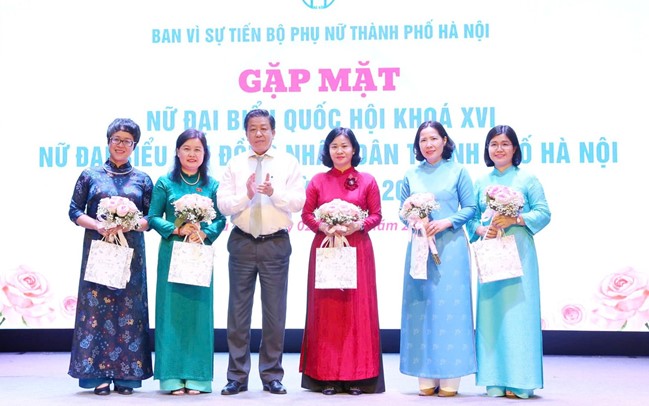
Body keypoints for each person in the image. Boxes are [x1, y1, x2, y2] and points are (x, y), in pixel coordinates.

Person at [217, 108, 305, 395]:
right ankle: (236, 376)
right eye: (253, 129)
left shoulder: (288, 162)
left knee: (274, 314)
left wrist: (272, 193)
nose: (258, 133)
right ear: (246, 133)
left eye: (264, 128)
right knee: (238, 314)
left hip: (275, 243)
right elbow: (223, 205)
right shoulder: (235, 163)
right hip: (242, 241)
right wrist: (247, 194)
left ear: (273, 132)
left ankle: (271, 375)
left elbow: (298, 202)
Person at [67, 118, 153, 395]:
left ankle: (127, 376)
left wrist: (130, 223)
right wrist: (98, 224)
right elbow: (74, 211)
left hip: (131, 253)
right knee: (96, 310)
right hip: (99, 249)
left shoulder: (142, 179)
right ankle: (97, 376)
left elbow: (151, 218)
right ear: (108, 141)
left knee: (129, 311)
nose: (121, 145)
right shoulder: (90, 175)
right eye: (116, 139)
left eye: (127, 141)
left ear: (134, 145)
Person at [466, 125, 551, 399]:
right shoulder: (481, 181)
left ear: (515, 148)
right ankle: (494, 379)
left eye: (505, 143)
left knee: (519, 315)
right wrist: (482, 229)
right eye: (493, 144)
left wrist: (515, 219)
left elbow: (544, 213)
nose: (499, 149)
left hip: (520, 252)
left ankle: (521, 381)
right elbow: (471, 218)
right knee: (491, 315)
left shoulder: (528, 179)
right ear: (487, 149)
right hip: (491, 250)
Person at [299, 127, 385, 396]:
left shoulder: (367, 180)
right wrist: (324, 226)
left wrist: (357, 225)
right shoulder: (318, 180)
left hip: (357, 249)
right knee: (328, 312)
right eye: (334, 146)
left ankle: (357, 376)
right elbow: (306, 215)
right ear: (328, 150)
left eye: (345, 145)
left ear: (354, 149)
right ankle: (327, 376)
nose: (340, 150)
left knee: (356, 312)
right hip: (326, 247)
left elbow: (377, 215)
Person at [398, 120, 477, 397]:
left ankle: (451, 376)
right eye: (423, 140)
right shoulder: (411, 174)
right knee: (422, 308)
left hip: (451, 247)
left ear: (444, 140)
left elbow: (471, 207)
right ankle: (425, 373)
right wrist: (414, 220)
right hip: (420, 247)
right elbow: (402, 211)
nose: (428, 144)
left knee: (451, 310)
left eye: (433, 138)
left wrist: (446, 222)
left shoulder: (458, 171)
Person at [148, 128, 226, 395]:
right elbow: (152, 217)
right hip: (172, 251)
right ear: (177, 152)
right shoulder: (165, 183)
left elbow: (220, 219)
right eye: (187, 149)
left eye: (198, 150)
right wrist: (176, 229)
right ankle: (170, 376)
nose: (192, 154)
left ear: (205, 154)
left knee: (199, 313)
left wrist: (205, 232)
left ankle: (198, 376)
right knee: (170, 312)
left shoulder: (212, 185)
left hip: (199, 251)